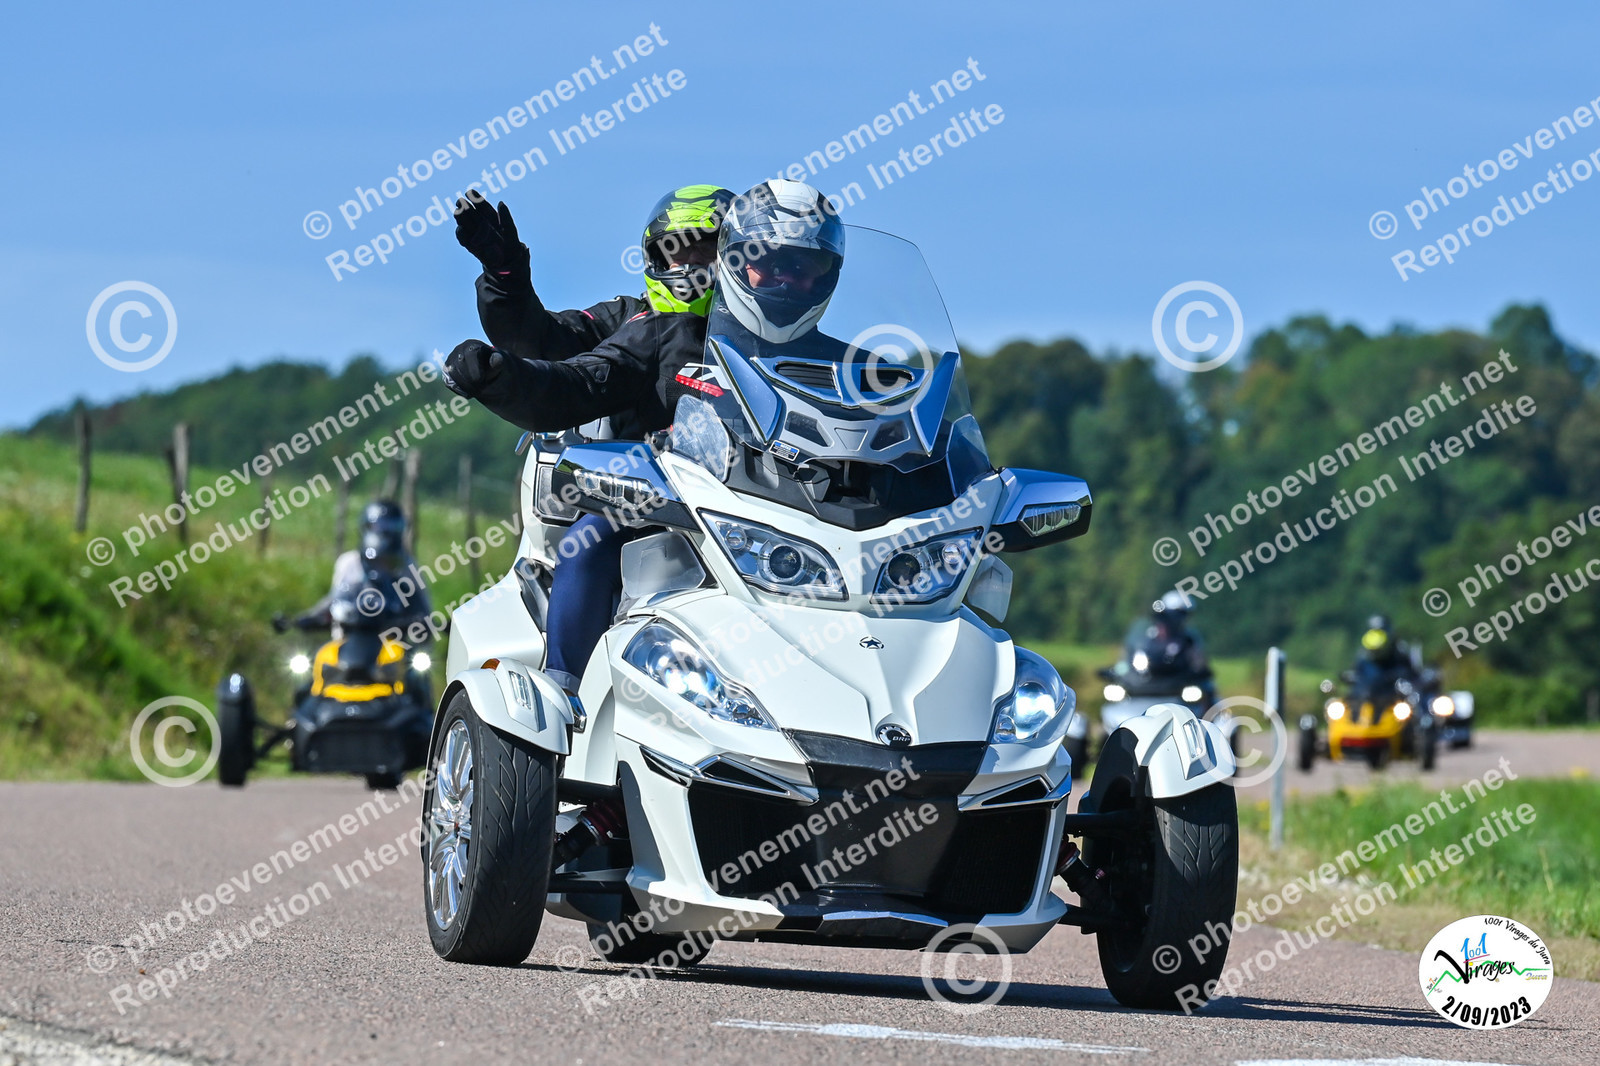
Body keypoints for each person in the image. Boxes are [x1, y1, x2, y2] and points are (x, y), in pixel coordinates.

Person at [441, 184, 742, 693]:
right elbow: (548, 352)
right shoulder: (632, 322)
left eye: (706, 249)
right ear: (656, 258)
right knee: (588, 541)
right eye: (679, 249)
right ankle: (565, 691)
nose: (691, 263)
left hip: (757, 507)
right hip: (646, 503)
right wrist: (504, 275)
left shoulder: (780, 341)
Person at [279, 500, 431, 636]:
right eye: (380, 526)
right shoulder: (349, 562)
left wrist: (425, 624)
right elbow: (334, 599)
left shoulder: (407, 566)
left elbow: (423, 609)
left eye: (392, 526)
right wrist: (306, 618)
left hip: (393, 646)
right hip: (347, 641)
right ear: (367, 526)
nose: (385, 532)